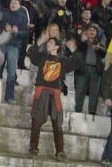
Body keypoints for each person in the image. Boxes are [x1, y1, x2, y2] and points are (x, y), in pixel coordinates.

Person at [26, 31, 82, 161]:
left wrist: (73, 49)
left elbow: (78, 62)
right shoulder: (42, 57)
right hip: (41, 91)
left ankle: (60, 151)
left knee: (57, 124)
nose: (48, 44)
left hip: (54, 93)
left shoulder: (63, 60)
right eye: (48, 42)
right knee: (36, 122)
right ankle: (33, 148)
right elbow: (31, 52)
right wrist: (40, 40)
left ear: (57, 47)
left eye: (51, 43)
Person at [0, 0, 28, 104]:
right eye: (12, 2)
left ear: (19, 6)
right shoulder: (3, 13)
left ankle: (9, 97)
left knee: (11, 73)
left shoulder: (22, 16)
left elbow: (25, 33)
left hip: (13, 46)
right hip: (1, 44)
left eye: (16, 3)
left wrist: (16, 32)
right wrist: (4, 29)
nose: (13, 4)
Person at [74, 24, 106, 115]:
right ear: (86, 32)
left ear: (96, 33)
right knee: (80, 91)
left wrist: (99, 48)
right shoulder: (81, 42)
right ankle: (78, 110)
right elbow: (75, 49)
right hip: (82, 70)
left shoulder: (99, 43)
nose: (92, 32)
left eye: (94, 31)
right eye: (90, 30)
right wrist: (82, 40)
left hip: (96, 71)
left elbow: (105, 53)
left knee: (94, 93)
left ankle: (92, 111)